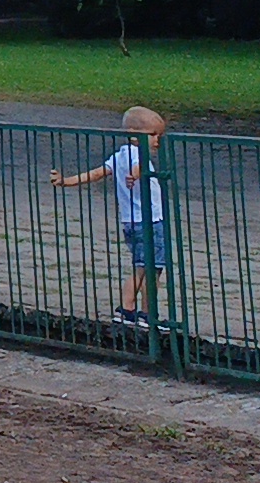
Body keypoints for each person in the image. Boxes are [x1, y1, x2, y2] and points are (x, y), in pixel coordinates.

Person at [48, 107, 170, 328]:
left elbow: (96, 174)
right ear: (134, 135)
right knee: (150, 270)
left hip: (131, 221)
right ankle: (139, 312)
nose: (157, 141)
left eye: (159, 136)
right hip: (150, 220)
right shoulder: (138, 154)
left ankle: (133, 312)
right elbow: (139, 166)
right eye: (153, 134)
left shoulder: (120, 155)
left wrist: (66, 181)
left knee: (142, 267)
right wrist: (135, 175)